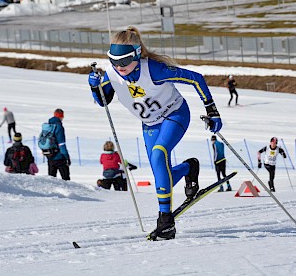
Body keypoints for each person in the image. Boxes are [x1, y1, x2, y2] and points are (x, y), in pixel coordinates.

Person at [88, 26, 222, 241]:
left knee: (159, 154)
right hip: (150, 124)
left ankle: (165, 221)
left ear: (137, 54)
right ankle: (189, 168)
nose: (119, 66)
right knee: (161, 173)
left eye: (124, 61)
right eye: (113, 60)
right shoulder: (112, 74)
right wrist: (95, 87)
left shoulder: (155, 70)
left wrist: (211, 110)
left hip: (174, 114)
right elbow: (103, 101)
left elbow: (196, 78)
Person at [45, 109, 71, 181]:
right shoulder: (59, 127)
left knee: (51, 180)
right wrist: (66, 157)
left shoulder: (48, 126)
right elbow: (61, 144)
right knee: (66, 179)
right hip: (59, 157)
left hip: (50, 155)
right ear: (61, 116)